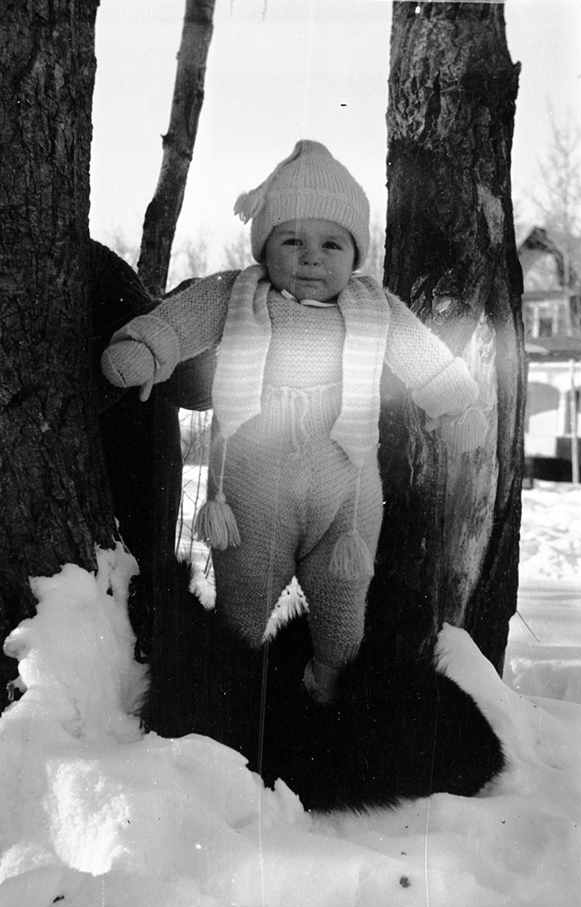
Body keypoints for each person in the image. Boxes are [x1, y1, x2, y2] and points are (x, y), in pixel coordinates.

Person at [101, 140, 488, 704]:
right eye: (292, 240)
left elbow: (422, 355)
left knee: (342, 613)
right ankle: (232, 693)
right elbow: (178, 322)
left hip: (345, 502)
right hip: (254, 496)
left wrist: (456, 402)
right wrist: (144, 348)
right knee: (242, 603)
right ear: (265, 247)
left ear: (354, 254)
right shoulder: (238, 294)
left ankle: (327, 688)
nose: (311, 257)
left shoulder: (374, 307)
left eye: (331, 243)